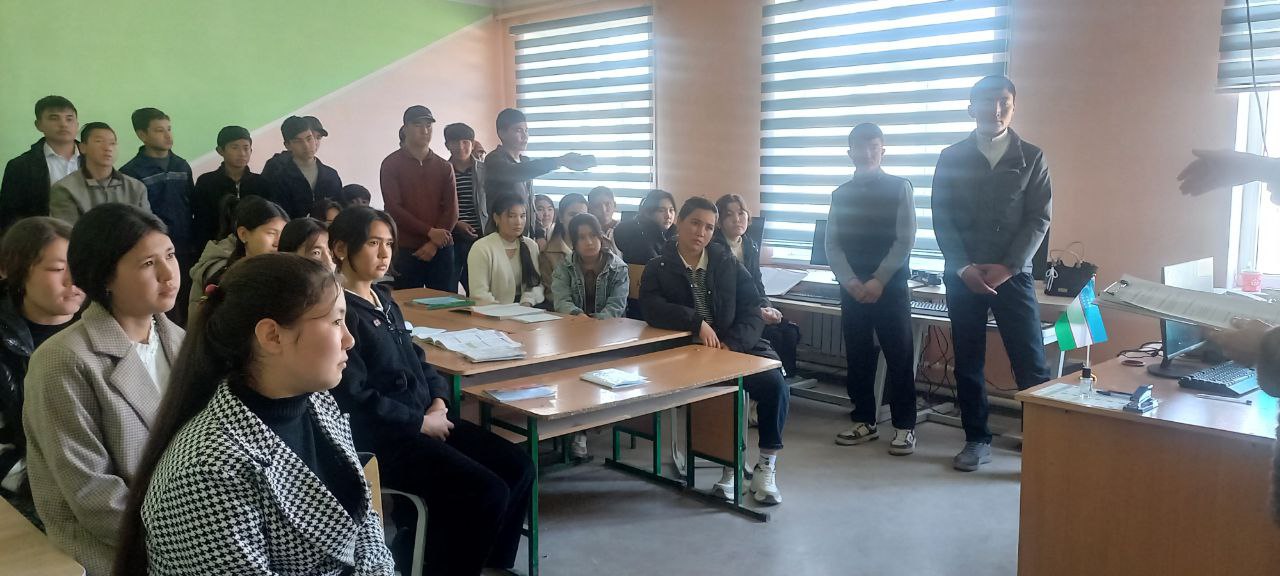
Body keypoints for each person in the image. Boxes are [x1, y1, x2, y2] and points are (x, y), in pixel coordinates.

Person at [110, 253, 394, 575]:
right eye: (335, 322)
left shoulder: (317, 402)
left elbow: (363, 522)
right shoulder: (208, 470)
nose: (349, 339)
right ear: (272, 336)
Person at [329, 207, 534, 574]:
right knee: (485, 490)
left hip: (429, 419)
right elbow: (354, 397)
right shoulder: (340, 312)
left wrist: (439, 402)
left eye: (389, 243)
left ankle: (491, 562)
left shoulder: (384, 299)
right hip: (389, 439)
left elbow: (418, 359)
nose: (384, 253)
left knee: (518, 465)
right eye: (373, 243)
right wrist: (419, 423)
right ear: (342, 248)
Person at [23, 203, 184, 575]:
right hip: (115, 549)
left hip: (186, 530)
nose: (168, 274)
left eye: (170, 255)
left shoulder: (182, 342)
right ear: (105, 277)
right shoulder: (64, 360)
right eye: (148, 263)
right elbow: (91, 493)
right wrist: (186, 540)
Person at [932, 75, 1052, 472]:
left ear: (1013, 107)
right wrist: (963, 266)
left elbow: (1039, 219)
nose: (996, 109)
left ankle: (1041, 442)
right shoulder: (951, 156)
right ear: (972, 107)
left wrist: (1009, 266)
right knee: (968, 361)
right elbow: (941, 217)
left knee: (1031, 361)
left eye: (1004, 102)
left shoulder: (1031, 156)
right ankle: (976, 439)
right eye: (987, 101)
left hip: (1013, 275)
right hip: (963, 274)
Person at [639, 196, 789, 505]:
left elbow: (753, 306)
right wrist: (696, 322)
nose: (701, 233)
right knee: (726, 392)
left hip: (734, 345)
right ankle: (729, 468)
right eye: (695, 223)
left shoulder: (725, 261)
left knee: (775, 384)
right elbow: (652, 308)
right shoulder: (659, 266)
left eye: (709, 227)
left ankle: (766, 466)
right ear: (679, 222)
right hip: (690, 352)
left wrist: (732, 344)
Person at [821, 124, 919, 454]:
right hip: (853, 288)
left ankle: (905, 426)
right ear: (850, 153)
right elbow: (832, 244)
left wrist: (879, 279)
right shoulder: (840, 194)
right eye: (860, 148)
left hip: (890, 287)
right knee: (858, 355)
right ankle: (864, 420)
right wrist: (850, 280)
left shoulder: (900, 187)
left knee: (899, 356)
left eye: (873, 147)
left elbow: (905, 239)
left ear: (882, 151)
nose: (866, 154)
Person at [0, 218, 84, 498]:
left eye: (78, 266)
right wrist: (48, 489)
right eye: (58, 269)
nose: (73, 280)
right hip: (32, 490)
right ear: (14, 270)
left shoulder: (108, 326)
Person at [121, 108, 197, 326]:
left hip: (186, 244)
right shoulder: (131, 172)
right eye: (159, 130)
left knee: (188, 297)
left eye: (169, 129)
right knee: (163, 302)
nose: (167, 135)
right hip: (155, 250)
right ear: (142, 135)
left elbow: (191, 203)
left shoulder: (181, 165)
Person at [712, 194, 801, 377]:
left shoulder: (749, 245)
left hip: (754, 307)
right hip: (734, 314)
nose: (737, 219)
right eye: (729, 215)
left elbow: (758, 285)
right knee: (774, 336)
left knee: (790, 332)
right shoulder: (715, 249)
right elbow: (726, 294)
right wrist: (757, 312)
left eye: (741, 213)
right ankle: (771, 378)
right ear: (719, 222)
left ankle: (786, 380)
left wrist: (768, 307)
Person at [381, 106, 458, 292]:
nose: (425, 131)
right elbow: (394, 208)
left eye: (428, 126)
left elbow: (452, 210)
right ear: (405, 128)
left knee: (447, 304)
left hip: (441, 247)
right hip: (407, 248)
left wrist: (434, 242)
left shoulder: (444, 166)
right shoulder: (391, 164)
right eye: (418, 125)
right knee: (407, 304)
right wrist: (429, 231)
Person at [484, 108, 595, 235]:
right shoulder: (494, 159)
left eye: (526, 130)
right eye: (518, 130)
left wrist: (539, 232)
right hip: (500, 234)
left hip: (524, 236)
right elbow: (515, 173)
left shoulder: (524, 160)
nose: (525, 135)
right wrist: (559, 161)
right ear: (502, 133)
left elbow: (529, 204)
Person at [187, 196, 288, 321]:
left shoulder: (282, 271)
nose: (278, 242)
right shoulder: (222, 276)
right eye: (271, 233)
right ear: (243, 234)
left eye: (283, 234)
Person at [0, 96, 80, 231]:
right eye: (54, 118)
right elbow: (9, 216)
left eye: (69, 118)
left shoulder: (95, 159)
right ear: (38, 125)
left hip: (91, 240)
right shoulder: (20, 166)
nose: (63, 124)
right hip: (42, 238)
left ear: (77, 124)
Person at [48, 123, 149, 224]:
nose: (108, 148)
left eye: (112, 143)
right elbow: (68, 230)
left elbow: (148, 226)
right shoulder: (65, 189)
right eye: (99, 141)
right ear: (83, 148)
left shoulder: (136, 187)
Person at [192, 126, 272, 252]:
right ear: (220, 151)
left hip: (254, 247)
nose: (242, 153)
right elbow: (201, 222)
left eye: (246, 148)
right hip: (217, 249)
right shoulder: (206, 182)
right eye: (235, 147)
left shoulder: (262, 183)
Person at [468, 193, 544, 306]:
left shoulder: (530, 245)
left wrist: (527, 302)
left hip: (527, 308)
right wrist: (503, 311)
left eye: (522, 216)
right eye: (511, 216)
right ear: (496, 218)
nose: (518, 222)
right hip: (492, 310)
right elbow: (479, 294)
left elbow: (537, 284)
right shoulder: (482, 247)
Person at [551, 212, 628, 319]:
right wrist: (579, 316)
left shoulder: (618, 268)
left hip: (609, 325)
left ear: (600, 237)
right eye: (582, 237)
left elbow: (616, 305)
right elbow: (561, 301)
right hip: (575, 323)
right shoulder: (564, 267)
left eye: (593, 235)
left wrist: (595, 322)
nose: (589, 242)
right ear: (574, 242)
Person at [262, 115, 342, 218]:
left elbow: (339, 211)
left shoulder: (331, 175)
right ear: (287, 145)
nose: (306, 145)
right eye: (298, 141)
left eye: (309, 138)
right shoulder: (279, 176)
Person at [444, 123, 487, 293]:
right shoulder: (442, 170)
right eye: (455, 142)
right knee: (449, 286)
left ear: (473, 143)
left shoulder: (484, 170)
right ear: (447, 145)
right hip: (453, 236)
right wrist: (456, 223)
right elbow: (439, 205)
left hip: (480, 235)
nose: (461, 147)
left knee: (478, 287)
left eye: (465, 142)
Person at [539, 193, 588, 295]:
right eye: (572, 215)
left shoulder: (599, 247)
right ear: (561, 217)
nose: (578, 220)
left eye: (583, 215)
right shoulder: (548, 254)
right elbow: (551, 293)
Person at [614, 188, 676, 265]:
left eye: (671, 210)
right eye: (661, 210)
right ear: (648, 212)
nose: (668, 216)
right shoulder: (640, 238)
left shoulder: (675, 235)